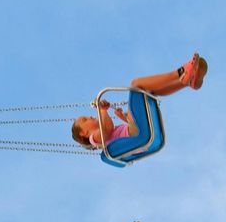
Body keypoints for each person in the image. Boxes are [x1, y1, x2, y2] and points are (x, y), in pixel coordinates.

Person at [69, 54, 209, 151]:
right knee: (136, 84)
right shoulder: (94, 139)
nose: (90, 117)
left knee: (150, 91)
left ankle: (187, 82)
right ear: (84, 133)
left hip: (137, 133)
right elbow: (107, 130)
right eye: (85, 119)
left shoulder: (106, 133)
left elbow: (111, 129)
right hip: (136, 134)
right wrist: (102, 111)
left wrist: (124, 118)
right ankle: (181, 72)